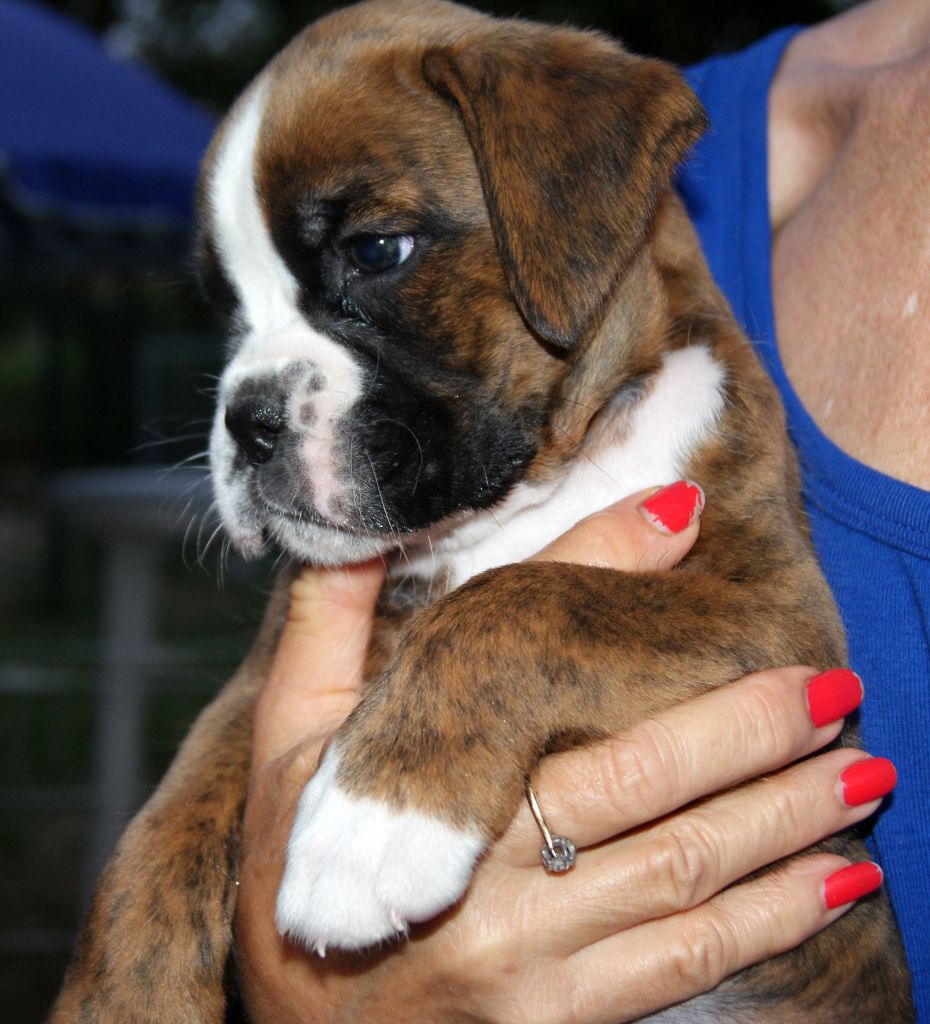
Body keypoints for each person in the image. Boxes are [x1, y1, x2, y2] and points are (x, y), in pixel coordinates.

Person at [231, 0, 929, 1019]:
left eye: (374, 253)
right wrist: (281, 994)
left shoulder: (597, 208)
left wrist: (489, 660)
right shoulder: (630, 145)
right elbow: (266, 750)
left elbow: (770, 635)